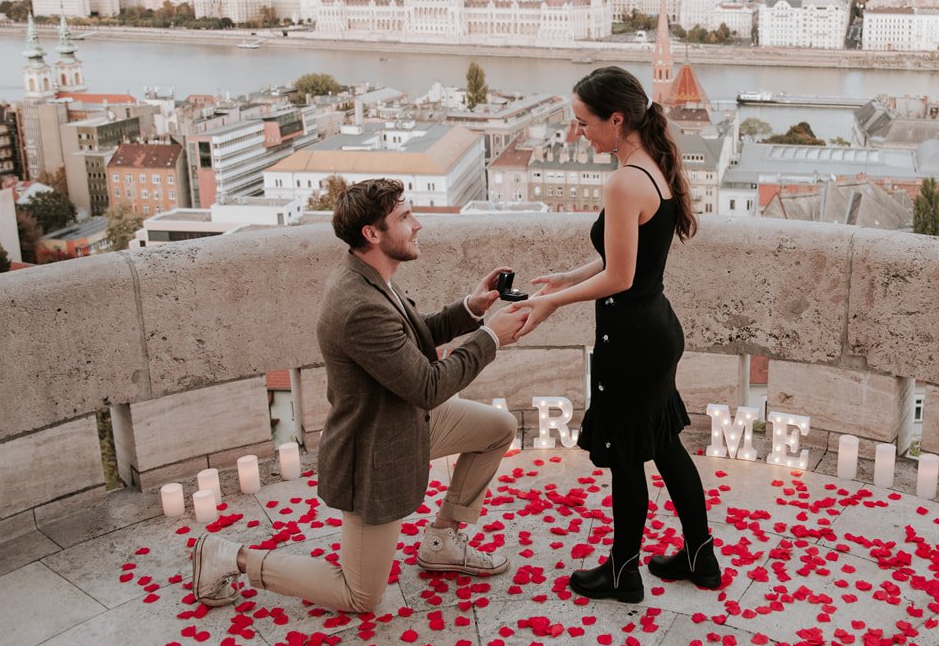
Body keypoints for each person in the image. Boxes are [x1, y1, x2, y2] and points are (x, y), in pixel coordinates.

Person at [190, 178, 529, 612]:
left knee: (498, 428)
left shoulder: (368, 276)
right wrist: (491, 338)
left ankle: (443, 539)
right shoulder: (358, 304)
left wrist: (472, 309)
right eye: (405, 218)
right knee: (360, 595)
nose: (418, 225)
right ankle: (229, 557)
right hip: (376, 453)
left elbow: (409, 337)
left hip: (405, 424)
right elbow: (428, 386)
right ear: (372, 234)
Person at [510, 66, 720, 602]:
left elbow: (620, 277)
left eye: (583, 123)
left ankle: (623, 572)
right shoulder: (652, 166)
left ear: (616, 119)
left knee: (628, 457)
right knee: (666, 446)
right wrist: (567, 277)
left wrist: (550, 302)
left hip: (630, 341)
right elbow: (627, 258)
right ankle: (701, 558)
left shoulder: (623, 179)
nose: (578, 134)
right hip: (655, 330)